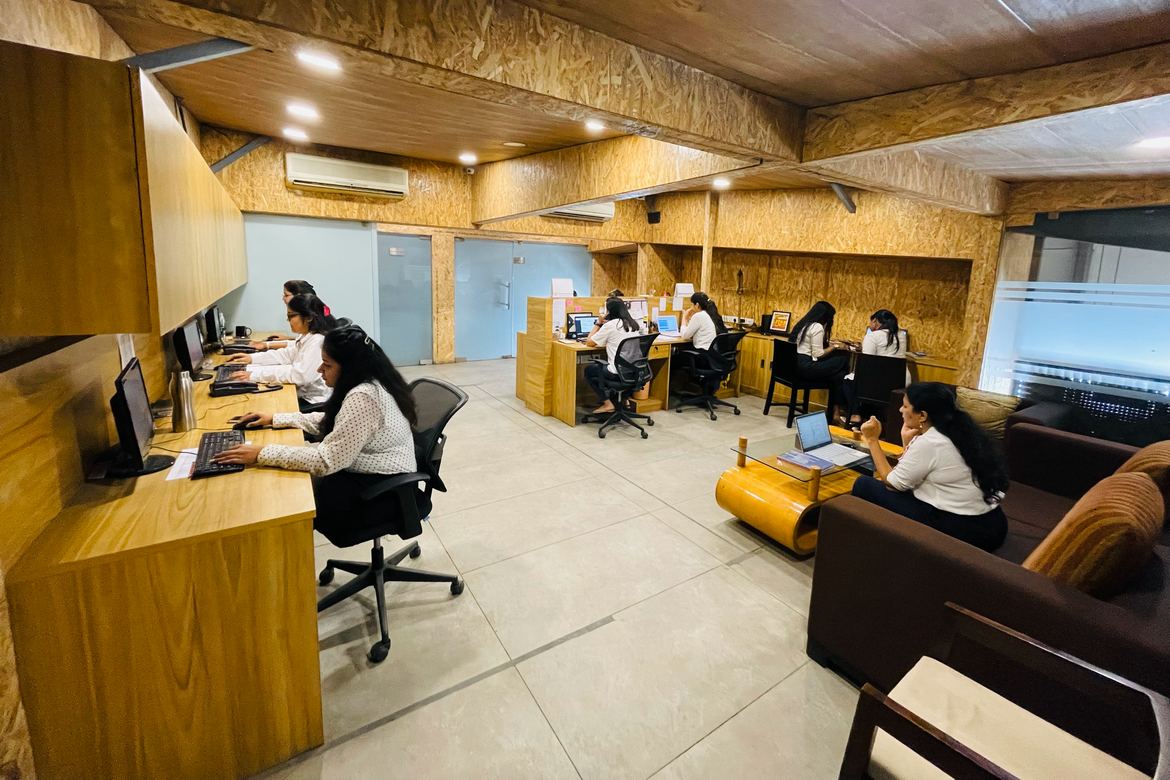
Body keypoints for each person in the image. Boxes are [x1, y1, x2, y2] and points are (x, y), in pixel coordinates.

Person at [211, 326, 418, 540]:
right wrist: (275, 419)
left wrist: (261, 453)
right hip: (366, 472)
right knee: (282, 483)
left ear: (350, 368)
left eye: (327, 365)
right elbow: (335, 420)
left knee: (283, 500)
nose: (320, 370)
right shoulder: (370, 379)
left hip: (380, 490)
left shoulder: (364, 397)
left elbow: (326, 461)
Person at [851, 382, 1009, 552]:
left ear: (922, 415)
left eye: (905, 406)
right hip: (994, 522)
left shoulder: (931, 441)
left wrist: (872, 440)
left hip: (966, 529)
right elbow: (917, 470)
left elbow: (893, 483)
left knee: (864, 484)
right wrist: (908, 443)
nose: (900, 410)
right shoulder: (959, 430)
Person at [224, 293, 335, 407]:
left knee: (259, 404)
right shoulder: (307, 336)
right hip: (301, 394)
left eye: (291, 316)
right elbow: (286, 355)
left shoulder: (317, 341)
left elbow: (299, 375)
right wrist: (251, 359)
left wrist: (253, 375)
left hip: (311, 402)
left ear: (308, 317)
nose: (288, 320)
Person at [842, 308, 908, 425]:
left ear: (875, 321)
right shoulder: (901, 336)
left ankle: (856, 414)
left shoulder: (873, 336)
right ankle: (870, 418)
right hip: (900, 382)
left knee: (847, 380)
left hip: (878, 384)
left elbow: (867, 362)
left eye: (871, 321)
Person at [789, 300, 850, 417]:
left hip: (796, 366)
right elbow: (818, 354)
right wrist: (835, 346)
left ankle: (836, 411)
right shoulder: (817, 327)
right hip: (805, 368)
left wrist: (829, 345)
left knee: (838, 375)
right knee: (842, 360)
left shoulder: (804, 324)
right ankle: (841, 409)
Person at [583, 297, 642, 414]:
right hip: (634, 370)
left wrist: (598, 323)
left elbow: (589, 342)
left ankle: (608, 404)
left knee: (589, 370)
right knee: (604, 368)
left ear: (610, 311)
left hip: (617, 372)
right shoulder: (633, 323)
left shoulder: (610, 325)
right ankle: (624, 399)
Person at [249, 280, 320, 351]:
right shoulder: (311, 313)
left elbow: (302, 344)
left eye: (286, 295)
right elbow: (303, 341)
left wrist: (267, 344)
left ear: (299, 297)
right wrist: (289, 338)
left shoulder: (310, 319)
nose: (283, 298)